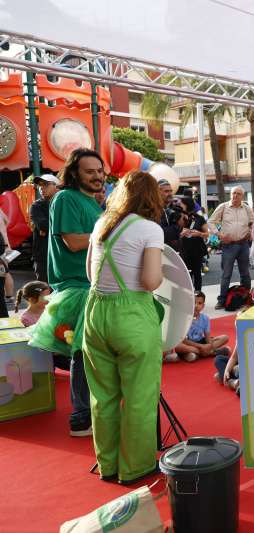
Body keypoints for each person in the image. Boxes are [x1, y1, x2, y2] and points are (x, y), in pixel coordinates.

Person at [82, 170, 164, 484]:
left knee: (102, 397)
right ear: (153, 198)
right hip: (131, 315)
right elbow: (150, 281)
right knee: (139, 396)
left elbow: (91, 274)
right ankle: (136, 467)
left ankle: (108, 465)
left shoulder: (101, 224)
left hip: (95, 312)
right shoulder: (149, 229)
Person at [29, 148, 105, 438]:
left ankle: (93, 410)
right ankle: (81, 415)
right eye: (90, 171)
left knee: (92, 351)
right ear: (74, 173)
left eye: (99, 171)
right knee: (82, 353)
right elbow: (73, 242)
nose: (97, 176)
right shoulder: (64, 198)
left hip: (95, 286)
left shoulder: (91, 202)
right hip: (77, 288)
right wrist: (114, 232)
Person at [208, 186, 254, 309]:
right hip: (228, 246)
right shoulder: (223, 207)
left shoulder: (246, 208)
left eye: (238, 194)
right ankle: (222, 300)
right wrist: (219, 235)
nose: (235, 196)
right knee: (226, 274)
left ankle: (246, 298)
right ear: (230, 194)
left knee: (245, 274)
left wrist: (251, 231)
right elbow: (211, 221)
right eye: (233, 193)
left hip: (243, 244)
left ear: (242, 196)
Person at [172, 291, 230, 363]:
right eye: (194, 303)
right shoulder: (184, 318)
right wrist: (200, 347)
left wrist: (209, 345)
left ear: (203, 306)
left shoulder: (205, 318)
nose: (196, 305)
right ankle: (210, 352)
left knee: (225, 337)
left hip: (201, 342)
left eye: (199, 303)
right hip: (189, 344)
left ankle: (198, 353)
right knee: (178, 346)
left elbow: (207, 338)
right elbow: (183, 340)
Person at [29, 173, 60, 282]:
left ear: (56, 186)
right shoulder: (37, 206)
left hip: (62, 254)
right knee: (44, 290)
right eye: (39, 185)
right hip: (43, 255)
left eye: (46, 184)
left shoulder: (65, 203)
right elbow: (43, 225)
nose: (41, 188)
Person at [178, 196, 208, 291]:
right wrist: (181, 233)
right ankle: (187, 296)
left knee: (197, 273)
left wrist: (199, 233)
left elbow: (207, 234)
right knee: (185, 275)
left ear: (187, 205)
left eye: (181, 203)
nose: (179, 205)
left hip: (197, 249)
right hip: (183, 250)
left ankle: (198, 295)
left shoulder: (199, 218)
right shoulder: (178, 217)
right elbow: (173, 234)